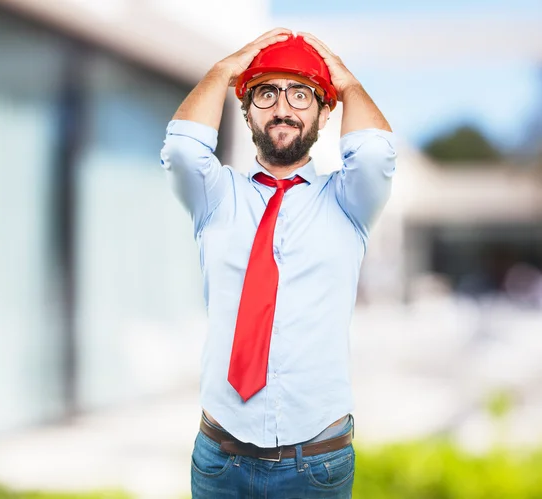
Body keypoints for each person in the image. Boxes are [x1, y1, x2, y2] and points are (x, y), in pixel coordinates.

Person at [160, 27, 397, 498]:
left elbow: (374, 154)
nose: (283, 108)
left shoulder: (349, 203)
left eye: (301, 94)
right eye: (265, 93)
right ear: (245, 108)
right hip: (220, 459)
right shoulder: (216, 197)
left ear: (326, 113)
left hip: (317, 462)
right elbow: (185, 149)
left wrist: (347, 83)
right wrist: (225, 67)